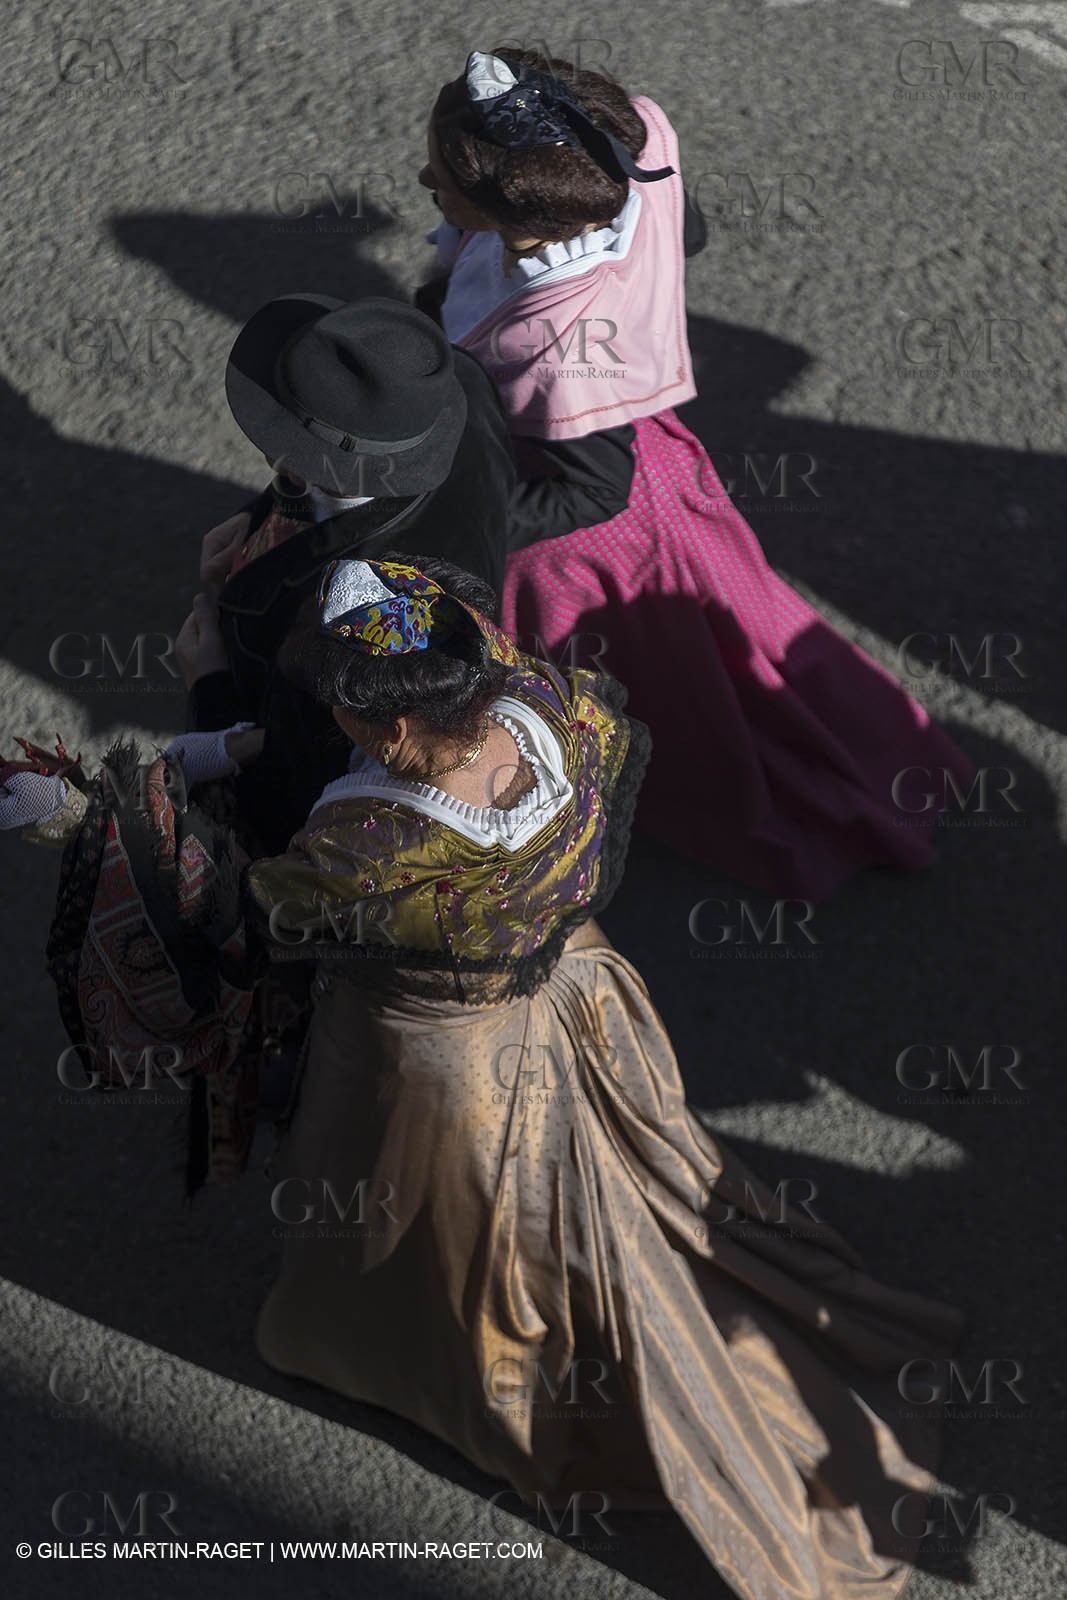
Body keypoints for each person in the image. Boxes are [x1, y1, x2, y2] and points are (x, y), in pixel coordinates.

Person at [3, 555, 961, 1599]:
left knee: (442, 1227)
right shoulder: (541, 699)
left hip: (437, 1062)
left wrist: (84, 813)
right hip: (577, 989)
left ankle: (438, 1374)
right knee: (620, 1200)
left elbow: (235, 909)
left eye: (342, 705)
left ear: (397, 729)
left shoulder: (370, 839)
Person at [417, 48, 975, 902]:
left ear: (516, 204)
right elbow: (689, 229)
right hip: (654, 469)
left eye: (444, 180)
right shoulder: (622, 160)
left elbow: (587, 492)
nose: (426, 177)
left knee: (671, 695)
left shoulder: (563, 343)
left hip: (598, 544)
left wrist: (451, 510)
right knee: (734, 662)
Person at [188, 294, 516, 858]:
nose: (273, 453)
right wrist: (263, 509)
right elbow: (339, 463)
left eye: (286, 443)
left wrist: (210, 684)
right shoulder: (449, 386)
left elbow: (304, 764)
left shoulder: (372, 606)